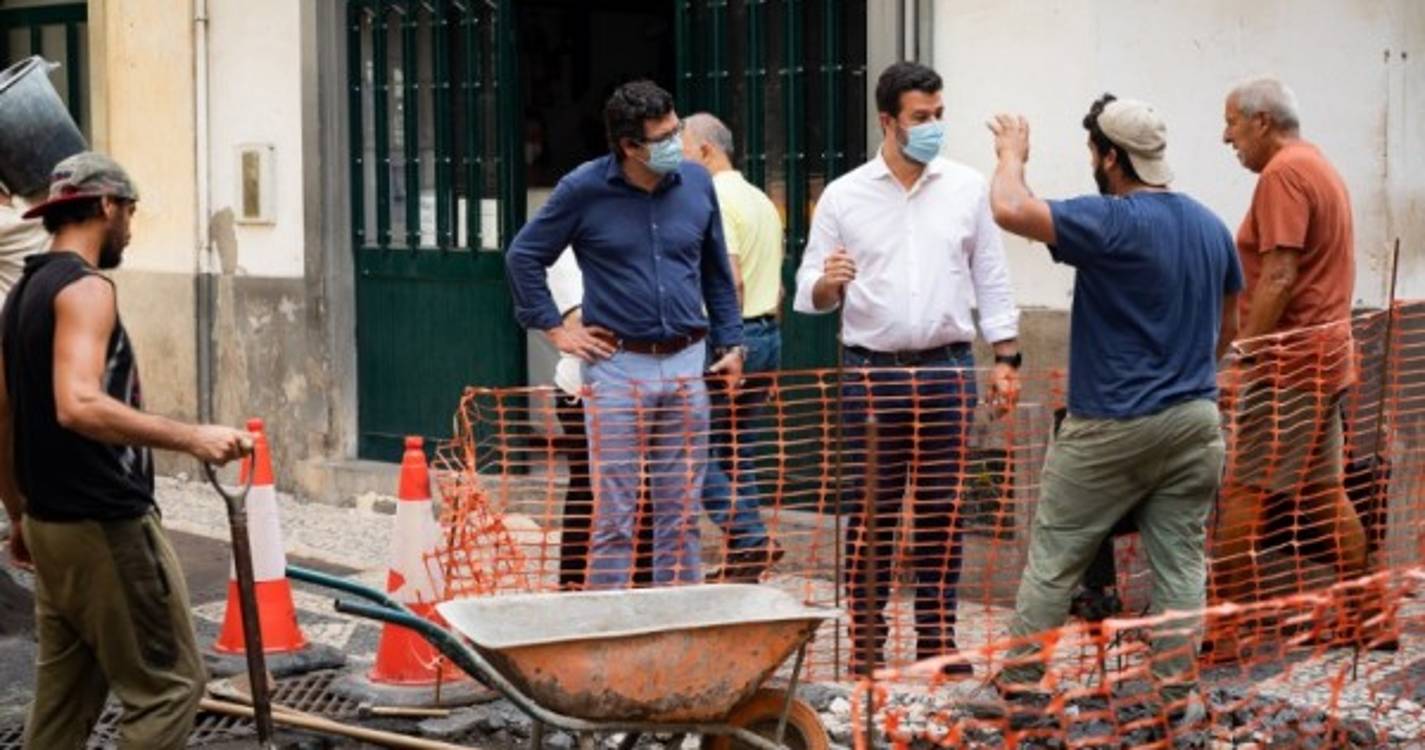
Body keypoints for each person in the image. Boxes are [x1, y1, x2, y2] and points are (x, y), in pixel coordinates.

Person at [981, 96, 1241, 726]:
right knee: (1179, 561)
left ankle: (1018, 687)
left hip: (1111, 426)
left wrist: (1012, 155)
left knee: (1057, 552)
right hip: (1195, 420)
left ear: (1112, 158)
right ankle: (1173, 697)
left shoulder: (1115, 221)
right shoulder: (1210, 225)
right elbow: (1229, 325)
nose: (1094, 163)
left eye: (1096, 153)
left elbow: (1011, 208)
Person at [0, 152, 251, 749]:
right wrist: (194, 437)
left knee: (63, 705)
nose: (131, 229)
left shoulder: (23, 292)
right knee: (168, 688)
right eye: (130, 212)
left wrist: (20, 515)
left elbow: (1, 416)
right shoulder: (87, 289)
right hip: (105, 524)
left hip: (52, 527)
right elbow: (78, 404)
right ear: (108, 205)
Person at [793, 62, 1022, 675]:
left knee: (944, 510)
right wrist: (826, 284)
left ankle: (936, 640)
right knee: (872, 510)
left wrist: (1005, 358)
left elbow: (991, 278)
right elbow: (806, 288)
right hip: (873, 373)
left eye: (939, 115)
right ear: (887, 121)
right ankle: (867, 642)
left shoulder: (967, 188)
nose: (933, 127)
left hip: (949, 371)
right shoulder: (844, 195)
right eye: (921, 118)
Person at [506, 81, 744, 589]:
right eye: (662, 137)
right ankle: (608, 620)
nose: (676, 143)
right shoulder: (583, 189)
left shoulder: (698, 184)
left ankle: (679, 617)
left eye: (677, 130)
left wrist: (731, 343)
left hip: (687, 361)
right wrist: (554, 328)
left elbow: (716, 272)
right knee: (615, 509)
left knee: (680, 509)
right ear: (628, 146)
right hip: (618, 367)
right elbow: (524, 256)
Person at [1211, 77, 1393, 655]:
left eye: (1233, 124)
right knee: (1320, 495)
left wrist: (1243, 355)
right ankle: (1372, 619)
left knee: (1243, 493)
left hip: (1288, 367)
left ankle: (1223, 628)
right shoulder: (1318, 166)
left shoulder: (1283, 174)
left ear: (1261, 121)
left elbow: (1280, 276)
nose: (1226, 136)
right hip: (1324, 359)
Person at [682, 112, 786, 582]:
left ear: (706, 150)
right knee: (736, 450)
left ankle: (747, 537)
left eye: (681, 148)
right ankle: (749, 548)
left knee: (690, 450)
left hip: (731, 341)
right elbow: (777, 287)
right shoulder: (761, 199)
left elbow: (731, 278)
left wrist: (729, 345)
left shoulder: (715, 196)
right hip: (767, 335)